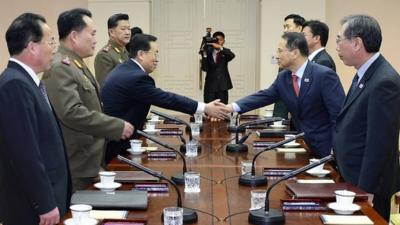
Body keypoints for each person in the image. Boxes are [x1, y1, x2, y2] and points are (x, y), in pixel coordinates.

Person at [43, 8, 134, 192]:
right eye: (92, 34)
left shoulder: (75, 63)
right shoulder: (60, 66)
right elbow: (72, 112)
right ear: (75, 36)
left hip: (90, 158)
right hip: (77, 163)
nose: (95, 39)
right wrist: (115, 126)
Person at [101, 34, 229, 163]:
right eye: (155, 54)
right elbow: (167, 99)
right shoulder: (136, 77)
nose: (157, 59)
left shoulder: (127, 69)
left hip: (117, 138)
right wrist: (204, 107)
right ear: (141, 54)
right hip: (117, 145)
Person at [224, 32, 345, 158]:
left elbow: (339, 115)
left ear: (295, 53)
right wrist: (231, 107)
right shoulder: (284, 77)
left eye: (280, 51)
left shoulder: (323, 75)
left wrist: (335, 147)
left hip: (328, 148)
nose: (277, 56)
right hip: (303, 146)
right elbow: (264, 96)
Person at [0, 13, 70, 225]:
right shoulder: (14, 85)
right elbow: (25, 153)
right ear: (32, 47)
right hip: (31, 207)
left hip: (43, 200)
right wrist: (45, 203)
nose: (55, 48)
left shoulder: (28, 83)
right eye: (50, 42)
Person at [334, 14, 400, 221]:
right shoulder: (365, 72)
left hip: (369, 185)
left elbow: (379, 143)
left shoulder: (384, 82)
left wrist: (366, 189)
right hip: (352, 175)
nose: (336, 47)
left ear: (356, 43)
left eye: (339, 40)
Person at [274, 14, 306, 119]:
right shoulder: (284, 63)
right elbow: (280, 93)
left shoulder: (310, 55)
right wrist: (278, 119)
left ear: (299, 28)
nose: (284, 30)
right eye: (284, 27)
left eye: (288, 26)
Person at [94, 13, 131, 87]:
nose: (128, 32)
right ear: (111, 32)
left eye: (129, 29)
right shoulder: (104, 55)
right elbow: (105, 88)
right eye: (123, 29)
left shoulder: (125, 52)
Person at [201, 31, 235, 104]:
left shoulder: (225, 52)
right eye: (217, 39)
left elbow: (232, 56)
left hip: (223, 86)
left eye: (220, 39)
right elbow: (204, 68)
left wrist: (220, 47)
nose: (218, 41)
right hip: (210, 86)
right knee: (208, 109)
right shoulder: (208, 52)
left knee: (222, 109)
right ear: (213, 40)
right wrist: (204, 53)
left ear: (223, 41)